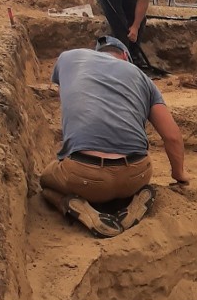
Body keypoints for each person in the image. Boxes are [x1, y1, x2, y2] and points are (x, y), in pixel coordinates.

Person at [40, 36, 189, 237]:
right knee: (119, 183)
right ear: (126, 57)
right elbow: (172, 137)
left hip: (83, 175)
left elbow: (69, 96)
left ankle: (76, 206)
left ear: (96, 53)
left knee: (46, 181)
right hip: (137, 174)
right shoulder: (142, 77)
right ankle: (128, 203)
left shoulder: (69, 58)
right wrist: (179, 175)